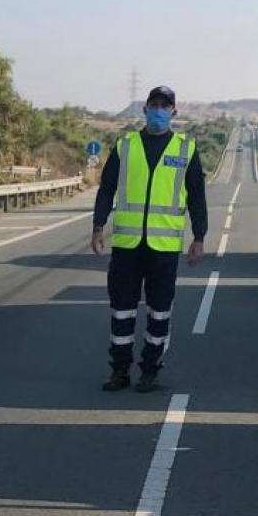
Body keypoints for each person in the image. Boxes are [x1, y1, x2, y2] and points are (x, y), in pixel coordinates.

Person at [91, 85, 207, 393]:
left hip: (164, 249)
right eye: (153, 104)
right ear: (144, 109)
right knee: (122, 310)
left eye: (164, 105)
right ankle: (119, 371)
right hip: (127, 247)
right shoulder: (125, 145)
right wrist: (98, 225)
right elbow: (106, 188)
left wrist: (200, 237)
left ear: (173, 112)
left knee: (159, 311)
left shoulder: (186, 149)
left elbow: (197, 196)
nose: (158, 110)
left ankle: (150, 371)